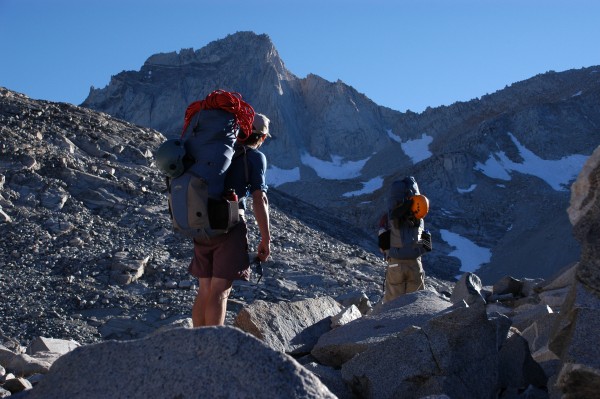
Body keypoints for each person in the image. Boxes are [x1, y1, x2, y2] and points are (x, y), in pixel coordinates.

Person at [189, 113, 272, 327]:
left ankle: (197, 345)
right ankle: (212, 346)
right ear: (261, 138)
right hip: (229, 224)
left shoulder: (216, 153)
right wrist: (266, 238)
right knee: (220, 289)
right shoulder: (254, 157)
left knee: (205, 288)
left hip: (201, 222)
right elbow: (259, 198)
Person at [378, 176, 429, 303]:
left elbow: (382, 245)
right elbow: (426, 246)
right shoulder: (419, 219)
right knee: (415, 303)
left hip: (395, 263)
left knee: (392, 304)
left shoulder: (388, 218)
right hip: (415, 264)